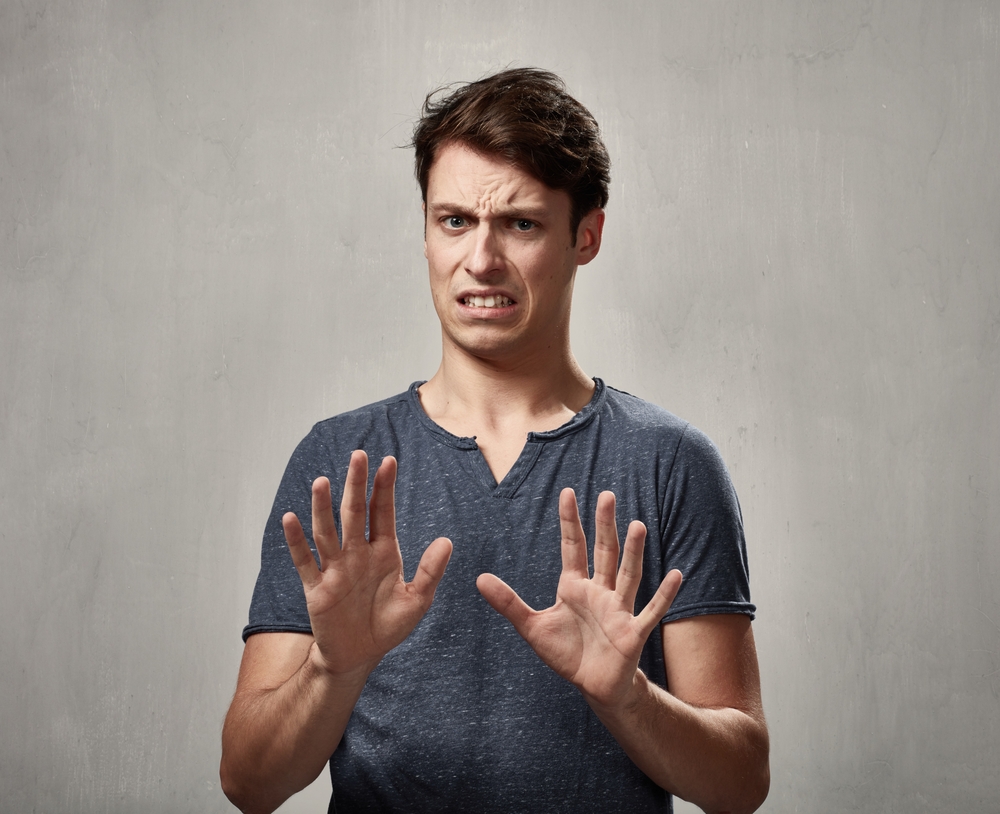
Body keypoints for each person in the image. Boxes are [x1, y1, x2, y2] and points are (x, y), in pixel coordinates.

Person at [220, 68, 769, 814]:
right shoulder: (340, 464)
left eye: (520, 224)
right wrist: (332, 669)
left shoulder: (670, 463)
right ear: (425, 233)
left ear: (586, 236)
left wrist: (629, 697)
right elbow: (248, 783)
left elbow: (740, 785)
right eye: (454, 221)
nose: (480, 260)